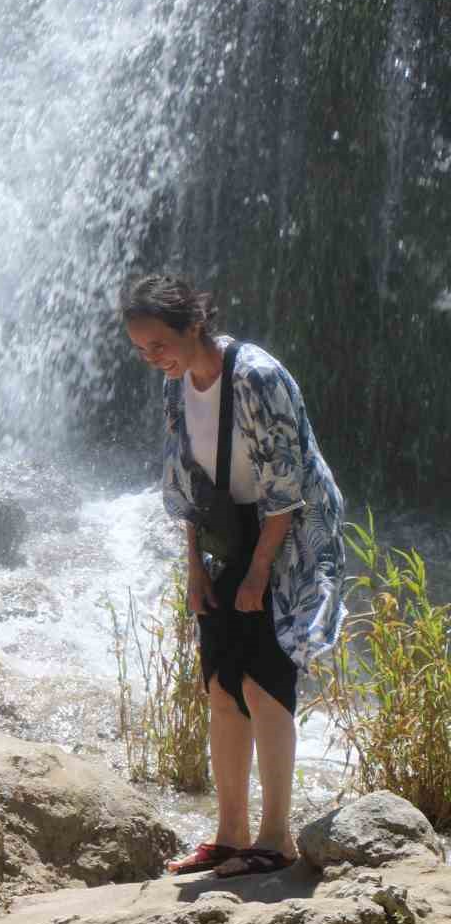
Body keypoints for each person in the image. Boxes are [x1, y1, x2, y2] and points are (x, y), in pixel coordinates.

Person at [123, 274, 345, 880]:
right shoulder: (177, 386)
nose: (153, 359)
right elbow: (187, 483)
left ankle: (277, 838)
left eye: (159, 345)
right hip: (228, 532)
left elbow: (289, 484)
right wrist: (195, 564)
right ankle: (229, 835)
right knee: (222, 683)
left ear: (193, 326)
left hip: (288, 532)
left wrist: (260, 570)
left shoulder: (256, 375)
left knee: (265, 681)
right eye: (141, 350)